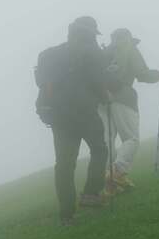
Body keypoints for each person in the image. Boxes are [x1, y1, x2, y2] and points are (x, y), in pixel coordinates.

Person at [35, 16, 109, 226]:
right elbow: (99, 83)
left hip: (58, 116)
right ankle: (91, 194)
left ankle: (66, 215)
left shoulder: (53, 55)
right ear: (88, 34)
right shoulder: (91, 53)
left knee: (65, 165)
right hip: (84, 112)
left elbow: (44, 83)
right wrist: (105, 98)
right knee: (99, 149)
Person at [99, 28, 159, 194]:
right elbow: (142, 74)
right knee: (131, 138)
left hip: (101, 99)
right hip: (123, 97)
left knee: (108, 140)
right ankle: (117, 171)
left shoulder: (104, 52)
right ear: (129, 38)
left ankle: (110, 181)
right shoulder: (130, 49)